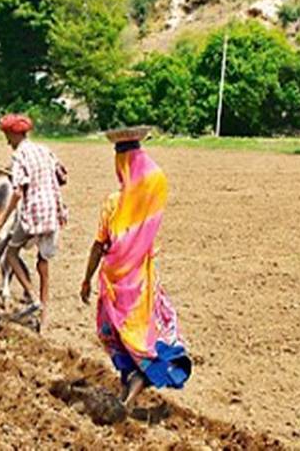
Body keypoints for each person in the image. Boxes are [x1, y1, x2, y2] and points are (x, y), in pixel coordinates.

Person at [79, 126, 191, 413]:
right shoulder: (148, 203)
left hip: (114, 286)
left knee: (117, 339)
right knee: (142, 337)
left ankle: (126, 399)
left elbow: (97, 245)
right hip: (140, 286)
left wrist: (86, 279)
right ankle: (127, 391)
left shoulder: (113, 203)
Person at [0, 113, 67, 331]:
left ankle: (32, 297)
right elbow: (62, 175)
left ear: (15, 134)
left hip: (34, 213)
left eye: (7, 136)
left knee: (11, 253)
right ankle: (44, 316)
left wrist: (1, 221)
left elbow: (16, 193)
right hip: (53, 212)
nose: (6, 141)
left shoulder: (19, 156)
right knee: (43, 263)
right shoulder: (44, 150)